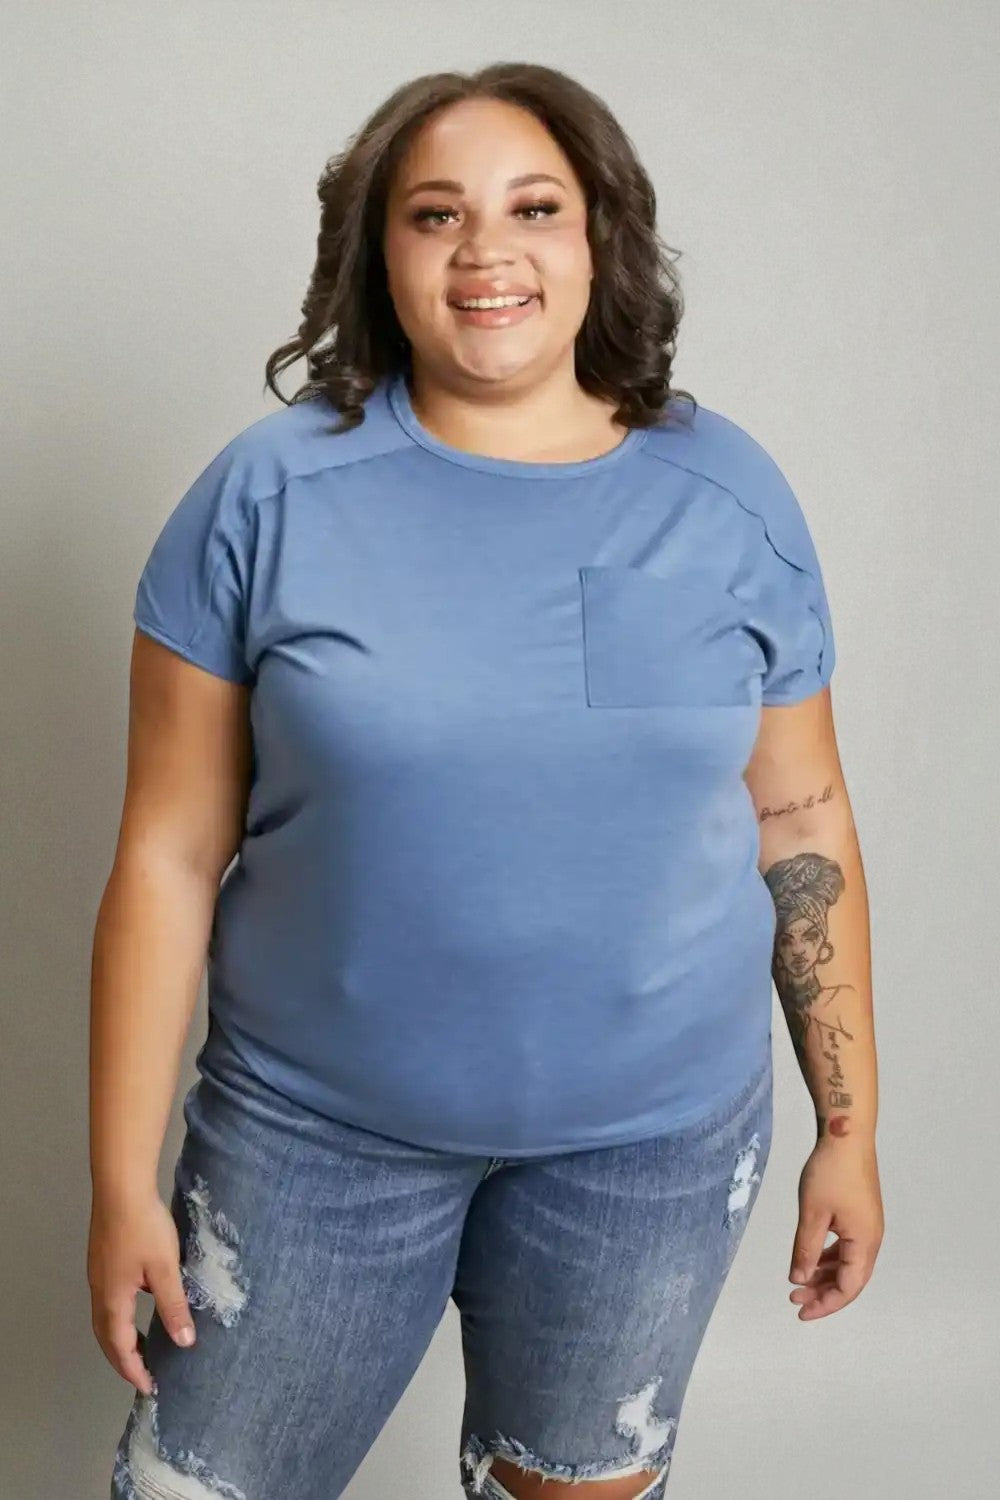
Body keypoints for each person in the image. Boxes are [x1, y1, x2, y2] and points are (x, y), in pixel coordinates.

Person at [89, 61, 884, 1500]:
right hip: (314, 1138)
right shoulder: (264, 498)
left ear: (600, 238)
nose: (485, 252)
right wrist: (119, 1178)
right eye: (435, 213)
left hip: (649, 1153)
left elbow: (799, 818)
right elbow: (167, 851)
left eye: (534, 208)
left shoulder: (729, 498)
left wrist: (850, 1131)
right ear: (377, 251)